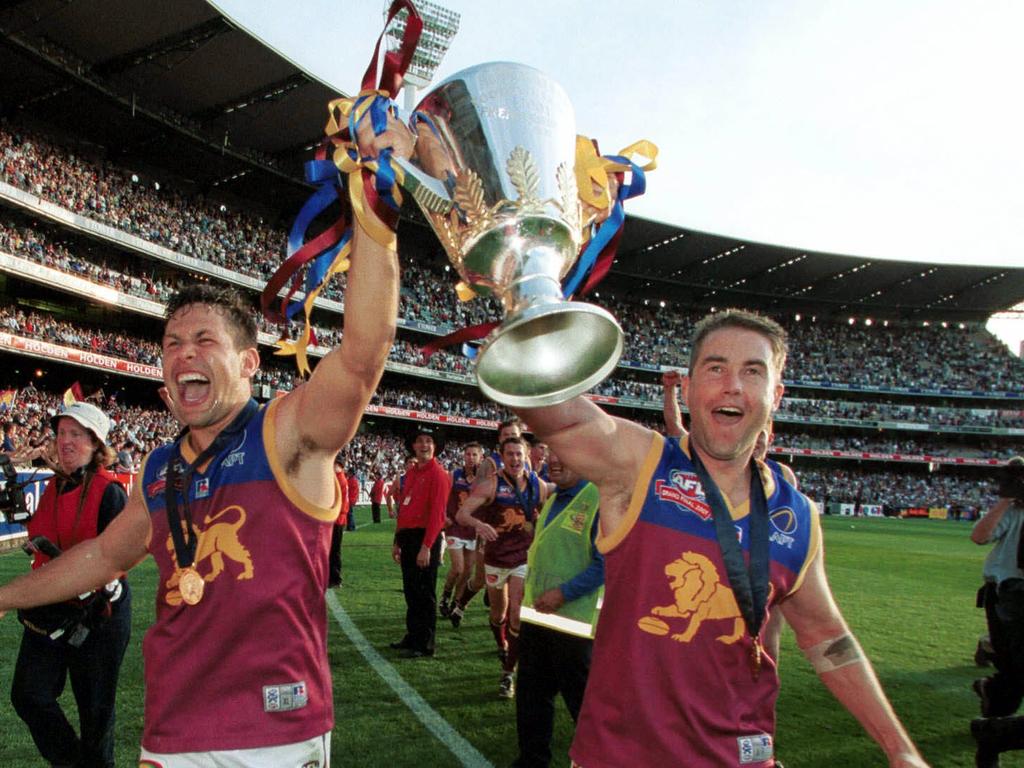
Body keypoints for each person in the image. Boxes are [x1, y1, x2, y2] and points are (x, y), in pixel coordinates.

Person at [0, 111, 404, 765]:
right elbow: (103, 558)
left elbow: (363, 352)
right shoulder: (159, 467)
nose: (183, 352)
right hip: (173, 732)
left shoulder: (289, 432)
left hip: (277, 729)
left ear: (249, 363)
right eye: (172, 343)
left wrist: (375, 210)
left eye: (204, 340)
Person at [514, 308, 927, 767]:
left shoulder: (798, 518)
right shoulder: (640, 465)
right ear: (687, 388)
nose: (733, 385)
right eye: (716, 368)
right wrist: (527, 307)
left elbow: (828, 639)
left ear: (776, 395)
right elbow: (556, 415)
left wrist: (900, 748)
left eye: (753, 372)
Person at [9, 401, 132, 768]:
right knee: (29, 694)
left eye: (75, 435)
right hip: (52, 607)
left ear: (96, 444)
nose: (65, 441)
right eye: (61, 433)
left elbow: (114, 563)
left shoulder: (110, 493)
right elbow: (43, 541)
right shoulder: (52, 487)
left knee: (96, 715)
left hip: (99, 616)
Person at [513, 449, 603, 768]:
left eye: (565, 453)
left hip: (573, 624)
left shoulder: (597, 499)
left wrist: (563, 594)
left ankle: (599, 760)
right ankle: (532, 760)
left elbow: (605, 564)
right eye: (551, 453)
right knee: (531, 698)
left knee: (584, 704)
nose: (555, 460)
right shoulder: (554, 498)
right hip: (537, 618)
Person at [457, 436, 549, 699]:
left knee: (517, 614)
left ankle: (508, 673)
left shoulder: (536, 484)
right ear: (502, 456)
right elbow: (463, 513)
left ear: (527, 455)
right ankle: (502, 644)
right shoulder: (491, 484)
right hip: (496, 558)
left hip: (522, 557)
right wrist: (479, 525)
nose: (515, 459)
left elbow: (547, 510)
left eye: (519, 454)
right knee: (499, 613)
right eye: (510, 454)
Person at [969, 457, 1024, 766]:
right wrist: (1005, 500)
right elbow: (979, 536)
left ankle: (992, 729)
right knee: (1017, 672)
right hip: (1009, 596)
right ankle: (993, 731)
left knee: (1014, 675)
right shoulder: (1013, 512)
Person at [449, 418, 524, 628]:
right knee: (480, 579)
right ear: (499, 439)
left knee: (517, 587)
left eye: (514, 435)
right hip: (491, 534)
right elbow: (476, 501)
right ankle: (460, 604)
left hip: (518, 537)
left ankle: (508, 638)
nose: (510, 438)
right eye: (506, 435)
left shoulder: (523, 462)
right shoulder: (490, 464)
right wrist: (481, 527)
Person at [390, 426, 450, 658]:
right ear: (413, 446)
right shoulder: (412, 473)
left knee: (424, 593)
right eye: (420, 441)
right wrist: (397, 540)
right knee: (411, 591)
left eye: (429, 441)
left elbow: (437, 515)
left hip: (426, 538)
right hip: (408, 538)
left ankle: (424, 643)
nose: (424, 445)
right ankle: (412, 635)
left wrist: (427, 547)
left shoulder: (439, 475)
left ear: (435, 447)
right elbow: (404, 508)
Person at [439, 441, 484, 618]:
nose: (471, 458)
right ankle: (445, 596)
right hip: (455, 526)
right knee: (458, 568)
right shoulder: (454, 474)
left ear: (481, 457)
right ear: (463, 456)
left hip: (473, 529)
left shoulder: (485, 479)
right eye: (468, 454)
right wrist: (444, 515)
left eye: (474, 455)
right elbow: (443, 497)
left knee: (468, 571)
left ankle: (456, 602)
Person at [328, 456, 351, 588]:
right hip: (337, 518)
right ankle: (333, 577)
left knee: (334, 550)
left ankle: (335, 578)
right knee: (333, 550)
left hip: (336, 519)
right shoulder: (339, 478)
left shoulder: (339, 479)